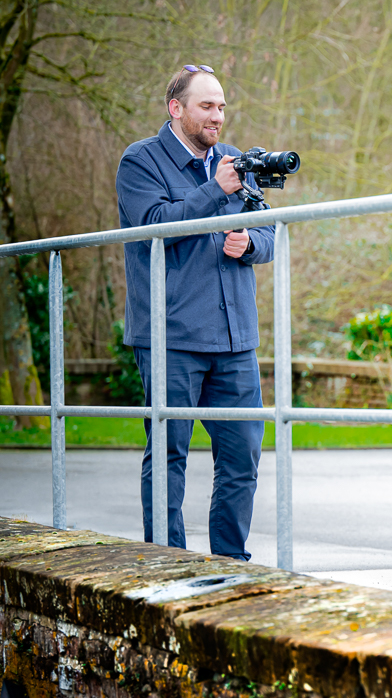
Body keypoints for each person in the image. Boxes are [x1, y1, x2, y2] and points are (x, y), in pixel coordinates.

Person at [116, 64, 274, 559]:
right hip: (172, 337)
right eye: (207, 106)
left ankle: (231, 564)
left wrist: (250, 243)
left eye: (222, 106)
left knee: (242, 457)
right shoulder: (140, 161)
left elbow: (270, 230)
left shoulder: (234, 160)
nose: (217, 116)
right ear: (176, 108)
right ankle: (168, 566)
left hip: (234, 338)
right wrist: (215, 191)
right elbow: (153, 226)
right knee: (168, 457)